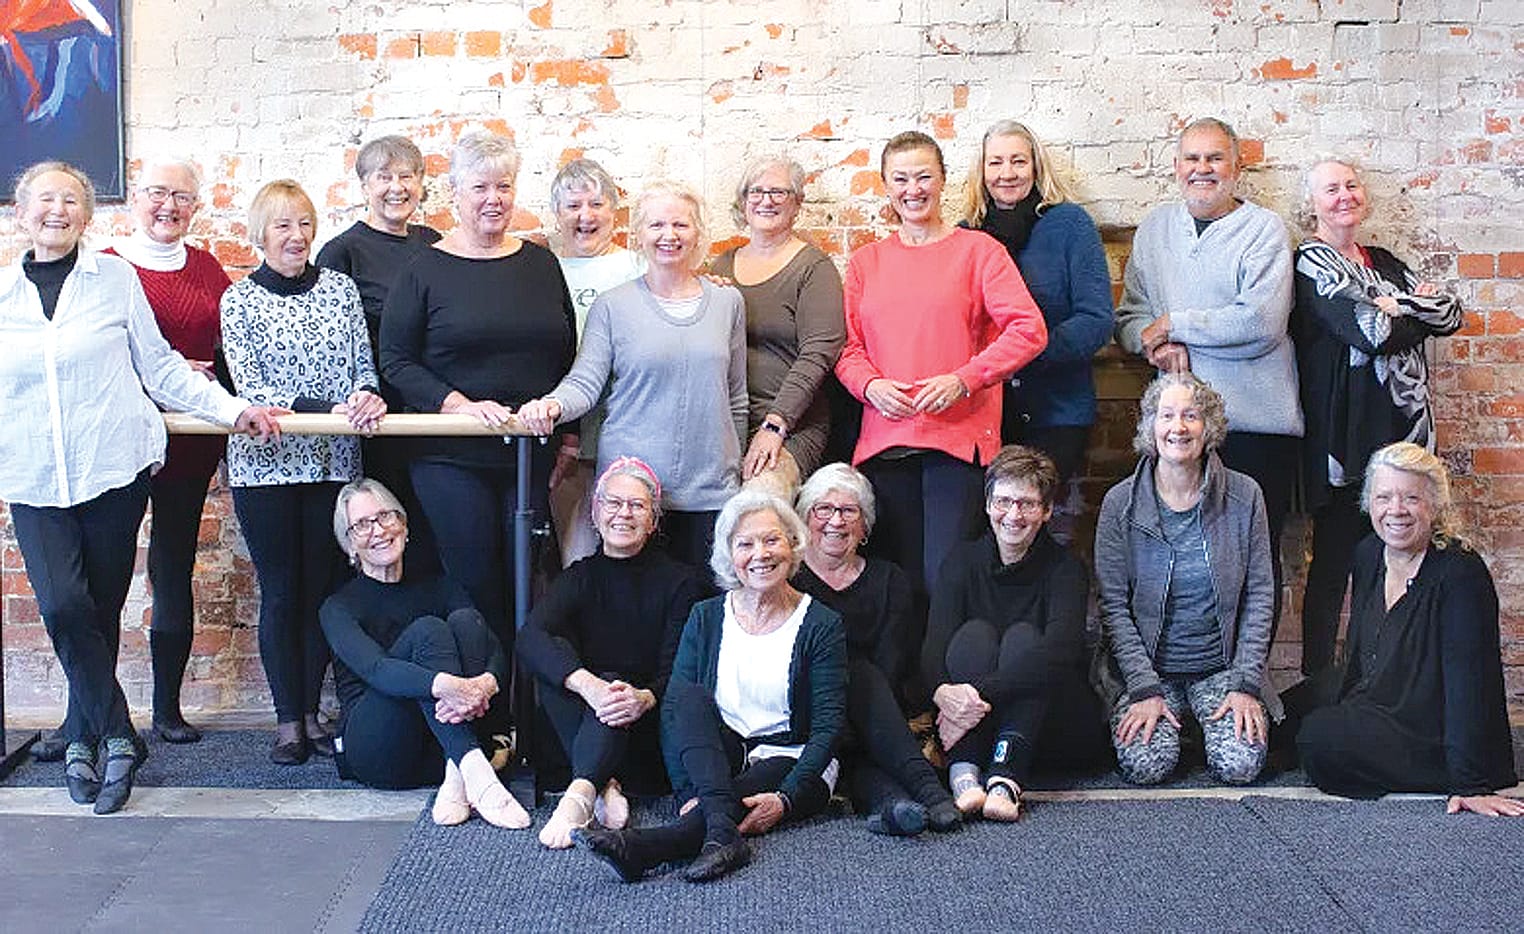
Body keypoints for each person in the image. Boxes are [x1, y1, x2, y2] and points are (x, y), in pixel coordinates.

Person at [0, 161, 281, 813]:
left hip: (112, 470)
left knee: (99, 612)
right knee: (62, 607)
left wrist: (232, 409)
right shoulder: (3, 293)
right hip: (34, 477)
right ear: (20, 212)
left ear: (87, 214)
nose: (58, 211)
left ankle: (82, 740)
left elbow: (160, 368)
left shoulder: (114, 280)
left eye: (71, 200)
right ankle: (120, 736)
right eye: (45, 200)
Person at [574, 491, 846, 883]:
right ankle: (721, 832)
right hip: (719, 756)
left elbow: (827, 729)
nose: (760, 554)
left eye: (772, 540)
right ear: (729, 555)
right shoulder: (705, 616)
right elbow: (674, 712)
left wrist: (786, 798)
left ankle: (646, 848)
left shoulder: (822, 624)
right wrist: (687, 794)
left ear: (793, 544)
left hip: (792, 759)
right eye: (745, 544)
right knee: (685, 697)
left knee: (726, 800)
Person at [380, 131, 578, 648]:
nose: (494, 199)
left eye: (503, 186)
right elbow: (396, 360)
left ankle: (522, 694)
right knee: (477, 580)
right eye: (480, 188)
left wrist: (570, 438)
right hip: (451, 456)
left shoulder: (541, 265)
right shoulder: (423, 269)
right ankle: (484, 690)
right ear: (455, 193)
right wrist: (459, 405)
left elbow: (566, 355)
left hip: (529, 450)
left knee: (526, 580)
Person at [835, 130, 1047, 600]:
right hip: (885, 442)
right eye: (901, 179)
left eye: (924, 177)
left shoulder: (980, 252)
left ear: (943, 180)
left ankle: (949, 655)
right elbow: (847, 349)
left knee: (945, 581)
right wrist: (869, 386)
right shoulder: (866, 262)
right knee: (895, 585)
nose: (913, 189)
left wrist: (963, 379)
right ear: (886, 186)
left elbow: (1029, 330)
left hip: (957, 442)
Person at [221, 179, 386, 764]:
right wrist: (329, 409)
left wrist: (363, 396)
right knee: (282, 593)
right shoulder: (239, 300)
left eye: (304, 224)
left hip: (333, 460)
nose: (296, 236)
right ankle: (288, 718)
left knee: (323, 592)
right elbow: (253, 387)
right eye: (283, 225)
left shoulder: (340, 290)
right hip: (266, 466)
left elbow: (362, 365)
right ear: (260, 234)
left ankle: (315, 714)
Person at [1114, 117, 1301, 612]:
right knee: (1177, 561)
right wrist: (1152, 346)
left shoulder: (1264, 230)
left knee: (1251, 565)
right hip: (1177, 428)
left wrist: (1175, 323)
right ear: (1176, 167)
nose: (1203, 168)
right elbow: (1131, 317)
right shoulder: (1156, 229)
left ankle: (1246, 664)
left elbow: (1261, 322)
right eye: (1192, 158)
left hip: (1255, 427)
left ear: (1236, 168)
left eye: (1215, 158)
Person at [1291, 157, 1462, 677]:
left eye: (1351, 185)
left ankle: (1386, 681)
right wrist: (1408, 309)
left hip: (1404, 435)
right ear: (1311, 204)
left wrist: (1396, 304)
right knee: (1335, 567)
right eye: (1331, 189)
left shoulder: (1384, 261)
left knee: (1399, 566)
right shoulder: (1312, 262)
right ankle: (1320, 685)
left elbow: (1451, 315)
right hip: (1346, 441)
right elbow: (1369, 332)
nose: (1344, 195)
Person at [518, 181, 748, 570]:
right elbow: (585, 383)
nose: (669, 235)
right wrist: (552, 404)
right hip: (631, 494)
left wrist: (733, 468)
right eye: (657, 225)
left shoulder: (728, 302)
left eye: (681, 225)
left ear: (697, 233)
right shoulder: (612, 306)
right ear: (639, 233)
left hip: (710, 491)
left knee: (703, 600)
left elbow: (736, 397)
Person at [1294, 443, 1521, 814]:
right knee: (1287, 709)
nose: (1396, 510)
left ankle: (1441, 773)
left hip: (1432, 727)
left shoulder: (1460, 573)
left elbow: (1467, 680)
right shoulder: (1368, 553)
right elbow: (1362, 656)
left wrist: (1469, 782)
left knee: (1319, 737)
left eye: (1411, 498)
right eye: (1384, 497)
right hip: (1381, 698)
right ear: (1369, 503)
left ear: (1435, 505)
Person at [99, 157, 232, 745]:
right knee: (104, 576)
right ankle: (89, 712)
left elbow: (230, 351)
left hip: (190, 444)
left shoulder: (208, 270)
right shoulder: (105, 268)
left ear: (195, 207)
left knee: (173, 569)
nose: (169, 206)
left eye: (182, 197)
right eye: (158, 193)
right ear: (135, 198)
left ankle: (167, 711)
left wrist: (210, 380)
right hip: (121, 441)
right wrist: (165, 375)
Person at [1095, 373, 1274, 786]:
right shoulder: (1119, 503)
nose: (1178, 427)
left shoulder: (1246, 495)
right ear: (1150, 426)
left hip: (1220, 668)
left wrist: (1246, 683)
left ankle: (1200, 725)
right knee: (1145, 765)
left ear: (1208, 427)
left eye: (1191, 416)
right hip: (1148, 672)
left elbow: (1261, 594)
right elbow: (1113, 608)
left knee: (1240, 764)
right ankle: (1182, 726)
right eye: (1167, 415)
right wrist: (1143, 688)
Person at [519, 457, 707, 848]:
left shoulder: (681, 582)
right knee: (554, 654)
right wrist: (587, 685)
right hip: (582, 726)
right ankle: (599, 786)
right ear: (596, 513)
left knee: (611, 682)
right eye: (614, 503)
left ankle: (580, 795)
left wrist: (644, 697)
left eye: (637, 505)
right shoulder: (579, 576)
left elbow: (681, 667)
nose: (624, 513)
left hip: (644, 726)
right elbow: (529, 638)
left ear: (653, 520)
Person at [319, 479, 529, 827]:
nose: (378, 531)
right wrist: (450, 686)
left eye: (385, 517)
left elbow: (490, 645)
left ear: (403, 525)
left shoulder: (440, 586)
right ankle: (480, 777)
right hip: (379, 747)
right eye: (362, 525)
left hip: (435, 746)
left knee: (467, 621)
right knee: (428, 631)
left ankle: (457, 775)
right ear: (350, 544)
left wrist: (485, 684)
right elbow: (377, 669)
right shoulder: (338, 607)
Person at [924, 445, 1113, 818]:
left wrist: (974, 697)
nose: (1013, 515)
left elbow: (1060, 654)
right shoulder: (961, 562)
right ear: (987, 505)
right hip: (978, 724)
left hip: (1050, 724)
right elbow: (933, 648)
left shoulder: (1065, 569)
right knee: (974, 636)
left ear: (1046, 511)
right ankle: (965, 775)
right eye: (1004, 502)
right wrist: (943, 692)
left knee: (1025, 641)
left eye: (1027, 504)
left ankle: (1005, 779)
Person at [792, 463, 961, 835]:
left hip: (878, 712)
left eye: (849, 511)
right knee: (851, 667)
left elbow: (893, 662)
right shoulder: (788, 580)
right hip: (812, 711)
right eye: (824, 509)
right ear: (804, 518)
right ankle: (929, 790)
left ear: (865, 526)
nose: (836, 521)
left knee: (864, 682)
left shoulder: (890, 579)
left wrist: (863, 722)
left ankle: (893, 808)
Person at [960, 121, 1113, 483]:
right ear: (982, 171)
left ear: (1036, 166)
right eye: (995, 162)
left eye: (1019, 161)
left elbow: (1096, 318)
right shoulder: (966, 235)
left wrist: (1023, 355)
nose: (1007, 173)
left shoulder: (1070, 225)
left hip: (1056, 410)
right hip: (985, 412)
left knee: (1035, 508)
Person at [316, 135, 443, 570]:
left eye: (407, 176)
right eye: (383, 177)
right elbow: (334, 346)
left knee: (430, 531)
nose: (396, 187)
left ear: (421, 183)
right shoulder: (341, 252)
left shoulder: (434, 244)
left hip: (432, 409)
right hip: (373, 415)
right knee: (381, 526)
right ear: (364, 186)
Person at [710, 157, 845, 498]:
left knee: (760, 499)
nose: (766, 200)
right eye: (756, 191)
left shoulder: (814, 268)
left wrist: (775, 424)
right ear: (743, 201)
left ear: (797, 203)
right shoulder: (721, 266)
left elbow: (818, 354)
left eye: (778, 192)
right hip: (726, 422)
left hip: (791, 425)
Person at [545, 158, 646, 566]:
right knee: (577, 554)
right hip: (565, 433)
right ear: (557, 214)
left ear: (614, 212)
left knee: (631, 550)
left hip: (627, 426)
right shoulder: (543, 269)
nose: (585, 216)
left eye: (597, 204)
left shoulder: (639, 266)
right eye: (573, 206)